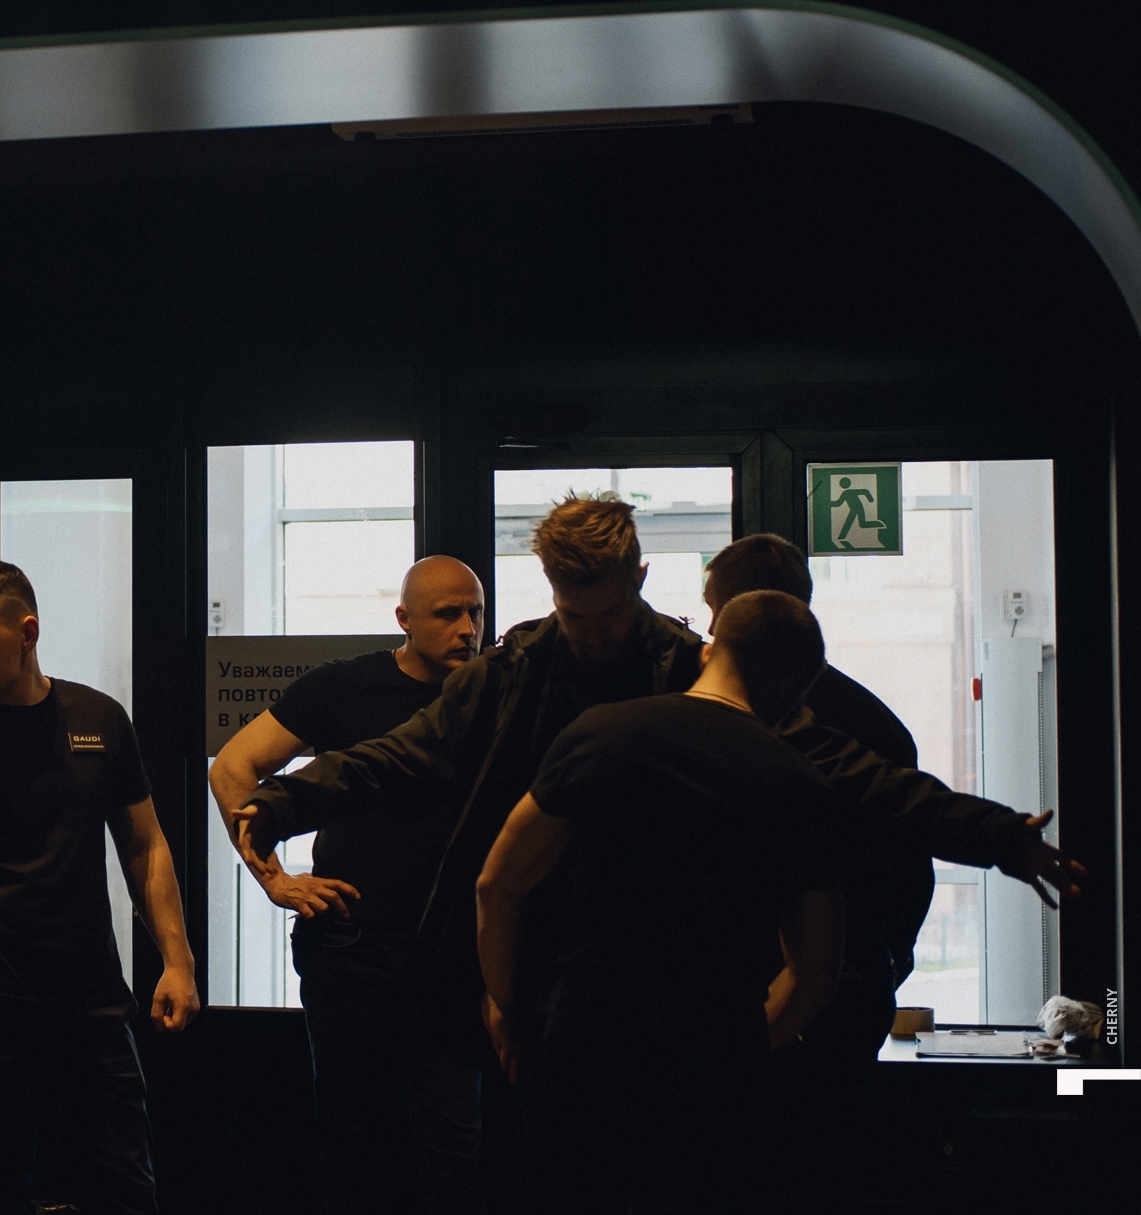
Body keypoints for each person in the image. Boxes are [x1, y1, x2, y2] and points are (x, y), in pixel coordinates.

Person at [237, 494, 705, 1082]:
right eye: (574, 615)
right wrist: (287, 800)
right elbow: (403, 754)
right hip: (544, 951)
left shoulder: (692, 671)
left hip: (669, 946)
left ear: (640, 577)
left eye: (609, 615)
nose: (593, 635)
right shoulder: (514, 675)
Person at [476, 590, 848, 1211]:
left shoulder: (600, 734)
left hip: (583, 1042)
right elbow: (816, 972)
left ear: (707, 654)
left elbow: (499, 884)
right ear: (791, 687)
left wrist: (506, 1007)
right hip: (715, 1055)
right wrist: (743, 1046)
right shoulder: (800, 784)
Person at [703, 534, 1086, 1060]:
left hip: (775, 982)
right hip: (850, 983)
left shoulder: (729, 717)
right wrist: (881, 963)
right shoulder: (872, 721)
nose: (707, 633)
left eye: (713, 614)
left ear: (737, 616)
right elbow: (906, 857)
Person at [0, 557, 199, 1215]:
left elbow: (145, 846)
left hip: (90, 1001)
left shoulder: (99, 720)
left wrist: (177, 960)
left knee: (126, 1187)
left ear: (27, 633)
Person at [206, 555, 487, 1214]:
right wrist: (274, 879)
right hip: (353, 947)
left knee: (454, 1143)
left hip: (451, 949)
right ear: (405, 619)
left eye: (475, 612)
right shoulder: (345, 686)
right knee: (354, 1136)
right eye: (449, 614)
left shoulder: (490, 693)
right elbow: (233, 767)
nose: (467, 629)